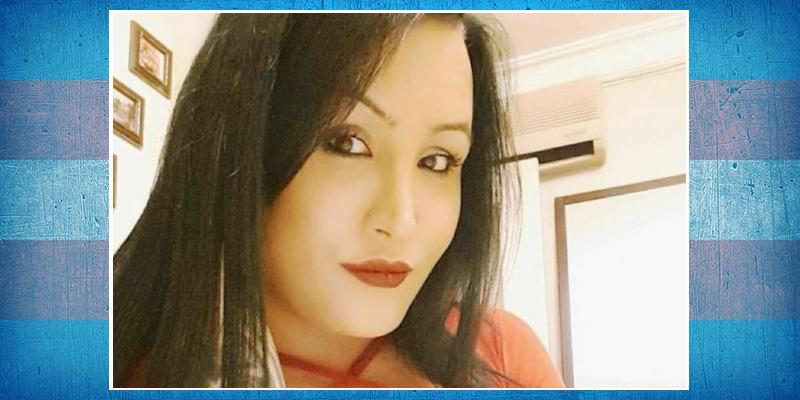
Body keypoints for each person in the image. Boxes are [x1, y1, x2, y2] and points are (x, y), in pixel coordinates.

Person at [113, 13, 564, 388]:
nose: (401, 221)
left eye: (437, 160)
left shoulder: (501, 355)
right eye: (347, 144)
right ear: (240, 143)